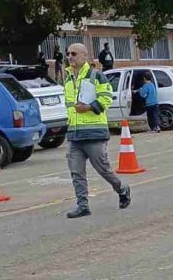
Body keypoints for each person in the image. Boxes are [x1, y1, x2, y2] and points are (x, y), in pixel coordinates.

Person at [63, 43, 130, 219]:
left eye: (74, 53)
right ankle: (82, 205)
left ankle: (121, 188)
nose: (70, 56)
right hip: (74, 134)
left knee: (103, 169)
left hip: (93, 133)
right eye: (68, 53)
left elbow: (107, 97)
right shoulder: (68, 78)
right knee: (76, 171)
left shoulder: (96, 75)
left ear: (84, 56)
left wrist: (90, 108)